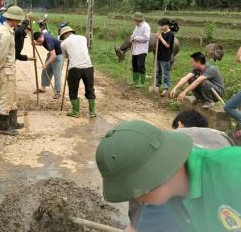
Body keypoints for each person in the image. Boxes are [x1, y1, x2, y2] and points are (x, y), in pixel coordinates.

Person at [96, 120, 241, 232]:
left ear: (155, 172)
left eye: (135, 190)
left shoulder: (233, 169)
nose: (137, 199)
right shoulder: (166, 201)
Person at [126, 110, 233, 232]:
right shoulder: (220, 136)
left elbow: (141, 185)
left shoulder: (167, 140)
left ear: (180, 124)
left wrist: (134, 225)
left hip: (177, 195)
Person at [0, 6, 25, 136]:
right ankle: (3, 127)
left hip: (8, 68)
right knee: (6, 96)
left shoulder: (5, 30)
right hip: (6, 69)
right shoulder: (5, 33)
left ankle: (12, 122)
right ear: (14, 19)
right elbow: (0, 54)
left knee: (12, 95)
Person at [60, 26, 96, 118]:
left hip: (75, 68)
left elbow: (65, 56)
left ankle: (76, 112)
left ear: (64, 35)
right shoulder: (83, 38)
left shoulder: (64, 43)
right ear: (72, 32)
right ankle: (92, 112)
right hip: (88, 67)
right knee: (90, 88)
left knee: (73, 90)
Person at [33, 31, 64, 99]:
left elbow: (53, 56)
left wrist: (46, 64)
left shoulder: (49, 41)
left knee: (57, 74)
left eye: (39, 41)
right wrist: (36, 44)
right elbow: (42, 43)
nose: (39, 42)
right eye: (37, 41)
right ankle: (43, 88)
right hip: (51, 55)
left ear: (41, 36)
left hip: (57, 57)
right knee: (45, 71)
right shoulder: (43, 37)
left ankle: (58, 92)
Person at [130, 12, 150, 88]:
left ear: (137, 19)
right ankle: (135, 80)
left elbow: (146, 38)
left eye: (134, 19)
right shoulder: (137, 26)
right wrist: (132, 37)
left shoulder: (146, 26)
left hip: (142, 50)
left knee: (140, 66)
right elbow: (134, 33)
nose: (133, 20)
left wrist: (136, 38)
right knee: (134, 65)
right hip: (135, 49)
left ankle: (142, 82)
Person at [156, 18, 175, 97]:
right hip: (159, 56)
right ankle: (157, 85)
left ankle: (166, 88)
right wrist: (158, 37)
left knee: (165, 73)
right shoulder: (162, 33)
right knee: (158, 72)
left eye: (161, 25)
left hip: (165, 57)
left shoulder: (171, 34)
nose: (160, 27)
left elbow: (167, 45)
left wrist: (160, 38)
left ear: (166, 25)